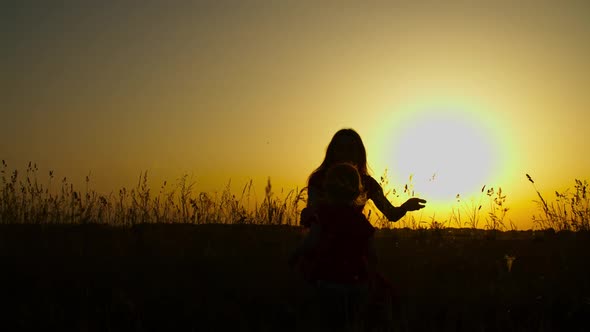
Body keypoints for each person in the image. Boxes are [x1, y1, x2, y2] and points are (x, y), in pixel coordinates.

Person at [288, 162, 377, 331]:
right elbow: (371, 253)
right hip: (357, 283)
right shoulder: (361, 221)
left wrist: (295, 254)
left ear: (327, 189)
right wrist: (371, 280)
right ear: (357, 192)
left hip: (328, 281)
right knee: (350, 323)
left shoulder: (323, 214)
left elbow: (312, 241)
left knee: (327, 323)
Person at [301, 128, 426, 228]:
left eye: (350, 149)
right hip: (323, 246)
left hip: (354, 245)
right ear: (332, 151)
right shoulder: (318, 179)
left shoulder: (368, 183)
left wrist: (405, 207)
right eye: (340, 148)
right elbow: (311, 215)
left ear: (359, 153)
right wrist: (309, 215)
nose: (345, 153)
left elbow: (391, 214)